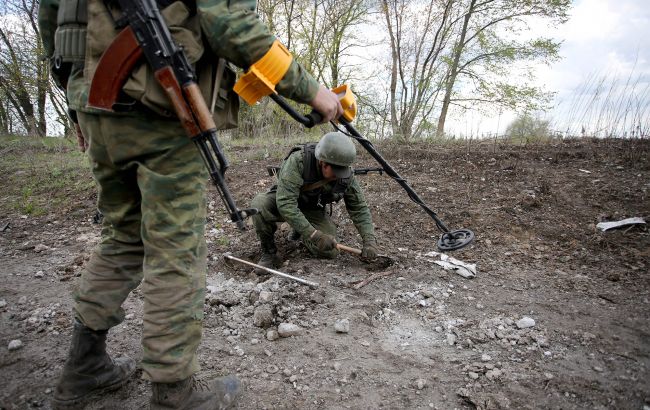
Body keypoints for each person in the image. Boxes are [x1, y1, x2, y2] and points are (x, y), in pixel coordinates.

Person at [38, 0, 343, 409]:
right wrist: (312, 90)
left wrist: (75, 107)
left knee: (124, 236)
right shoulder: (298, 163)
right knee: (176, 248)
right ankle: (175, 392)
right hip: (159, 105)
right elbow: (229, 22)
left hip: (94, 104)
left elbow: (53, 22)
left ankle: (84, 366)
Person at [251, 131, 378, 272]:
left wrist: (369, 241)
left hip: (312, 209)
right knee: (259, 205)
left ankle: (300, 230)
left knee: (330, 251)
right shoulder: (299, 161)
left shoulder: (346, 174)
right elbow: (286, 203)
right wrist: (314, 235)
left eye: (342, 170)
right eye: (335, 171)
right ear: (323, 162)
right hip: (286, 201)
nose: (338, 176)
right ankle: (269, 253)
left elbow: (359, 207)